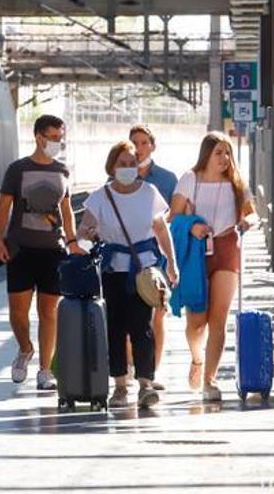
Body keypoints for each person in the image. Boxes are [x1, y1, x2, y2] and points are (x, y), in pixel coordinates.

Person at [79, 140, 178, 409]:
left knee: (142, 327)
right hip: (113, 270)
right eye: (122, 163)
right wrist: (87, 234)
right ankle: (120, 385)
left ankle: (145, 384)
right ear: (112, 166)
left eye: (132, 163)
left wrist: (172, 262)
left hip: (144, 271)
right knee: (116, 327)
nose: (127, 168)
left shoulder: (150, 192)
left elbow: (160, 229)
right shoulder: (101, 196)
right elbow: (84, 227)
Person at [0, 114, 84, 391]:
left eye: (61, 137)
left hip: (52, 250)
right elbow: (3, 207)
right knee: (17, 312)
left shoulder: (63, 171)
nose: (59, 142)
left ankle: (46, 370)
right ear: (39, 137)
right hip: (21, 248)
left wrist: (71, 242)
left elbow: (66, 210)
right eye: (54, 137)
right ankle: (25, 348)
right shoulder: (17, 169)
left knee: (49, 312)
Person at [168, 131, 256, 402]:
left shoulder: (236, 184)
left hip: (227, 247)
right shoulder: (189, 179)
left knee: (219, 320)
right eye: (218, 152)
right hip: (196, 252)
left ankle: (210, 379)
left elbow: (252, 213)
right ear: (206, 154)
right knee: (197, 321)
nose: (225, 158)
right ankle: (197, 358)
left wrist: (246, 223)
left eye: (227, 152)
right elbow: (172, 218)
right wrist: (192, 225)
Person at [129, 124, 178, 390]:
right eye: (134, 142)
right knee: (131, 316)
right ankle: (131, 369)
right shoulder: (119, 177)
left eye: (144, 142)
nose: (139, 148)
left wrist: (172, 260)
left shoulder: (168, 179)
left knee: (158, 314)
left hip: (156, 255)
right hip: (127, 257)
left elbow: (175, 214)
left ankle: (153, 371)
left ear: (153, 145)